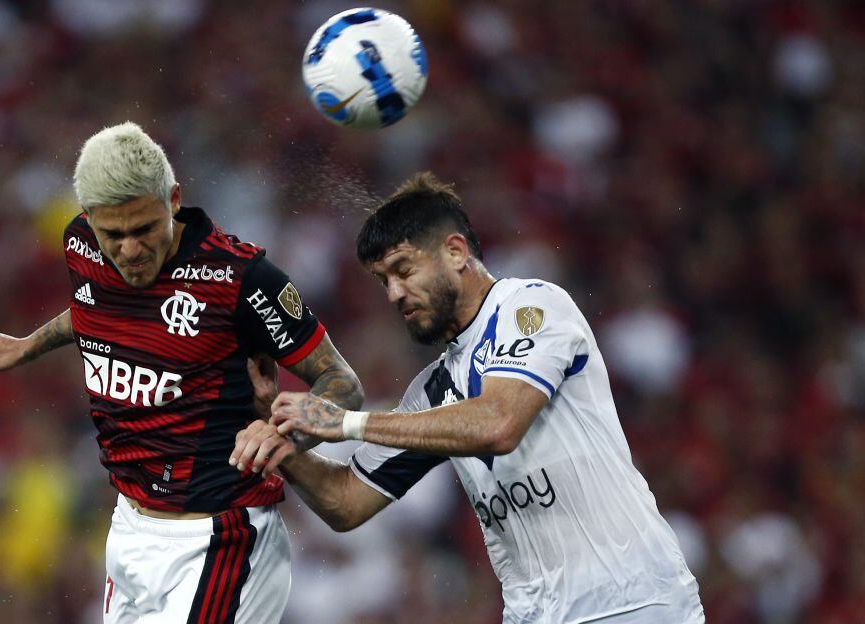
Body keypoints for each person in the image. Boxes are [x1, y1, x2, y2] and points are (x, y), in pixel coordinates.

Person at [232, 172, 705, 623]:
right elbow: (347, 502)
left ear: (455, 251)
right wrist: (279, 435)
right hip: (534, 614)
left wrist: (349, 423)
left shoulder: (532, 306)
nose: (394, 293)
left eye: (403, 270)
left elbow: (499, 424)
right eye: (383, 281)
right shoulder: (432, 391)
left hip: (632, 602)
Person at [0, 122, 363, 624]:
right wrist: (28, 345)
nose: (130, 250)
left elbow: (342, 384)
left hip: (219, 539)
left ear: (174, 200)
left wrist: (286, 434)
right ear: (88, 219)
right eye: (113, 235)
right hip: (129, 529)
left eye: (144, 229)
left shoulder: (240, 279)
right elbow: (96, 309)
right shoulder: (80, 245)